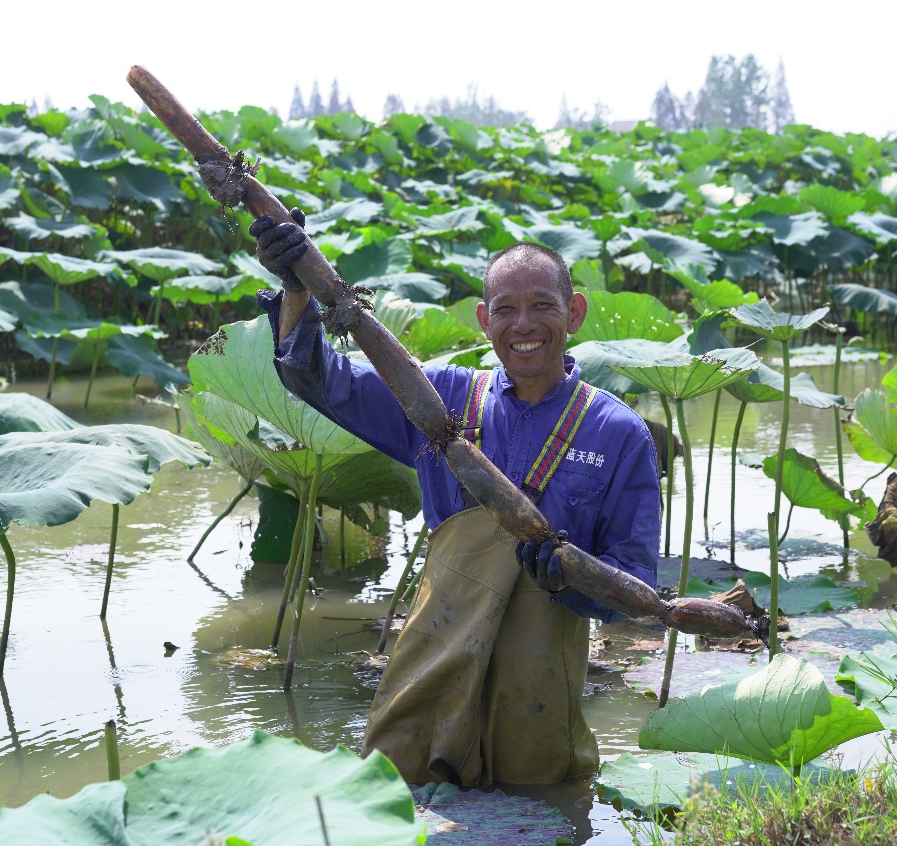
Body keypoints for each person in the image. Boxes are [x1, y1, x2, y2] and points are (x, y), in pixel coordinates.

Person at [250, 209, 661, 786]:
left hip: (537, 689)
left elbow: (635, 586)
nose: (524, 324)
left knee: (539, 809)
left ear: (574, 312)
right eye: (506, 309)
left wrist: (571, 579)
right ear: (483, 320)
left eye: (542, 305)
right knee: (395, 798)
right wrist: (297, 287)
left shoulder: (618, 434)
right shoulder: (440, 399)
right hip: (431, 664)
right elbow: (320, 378)